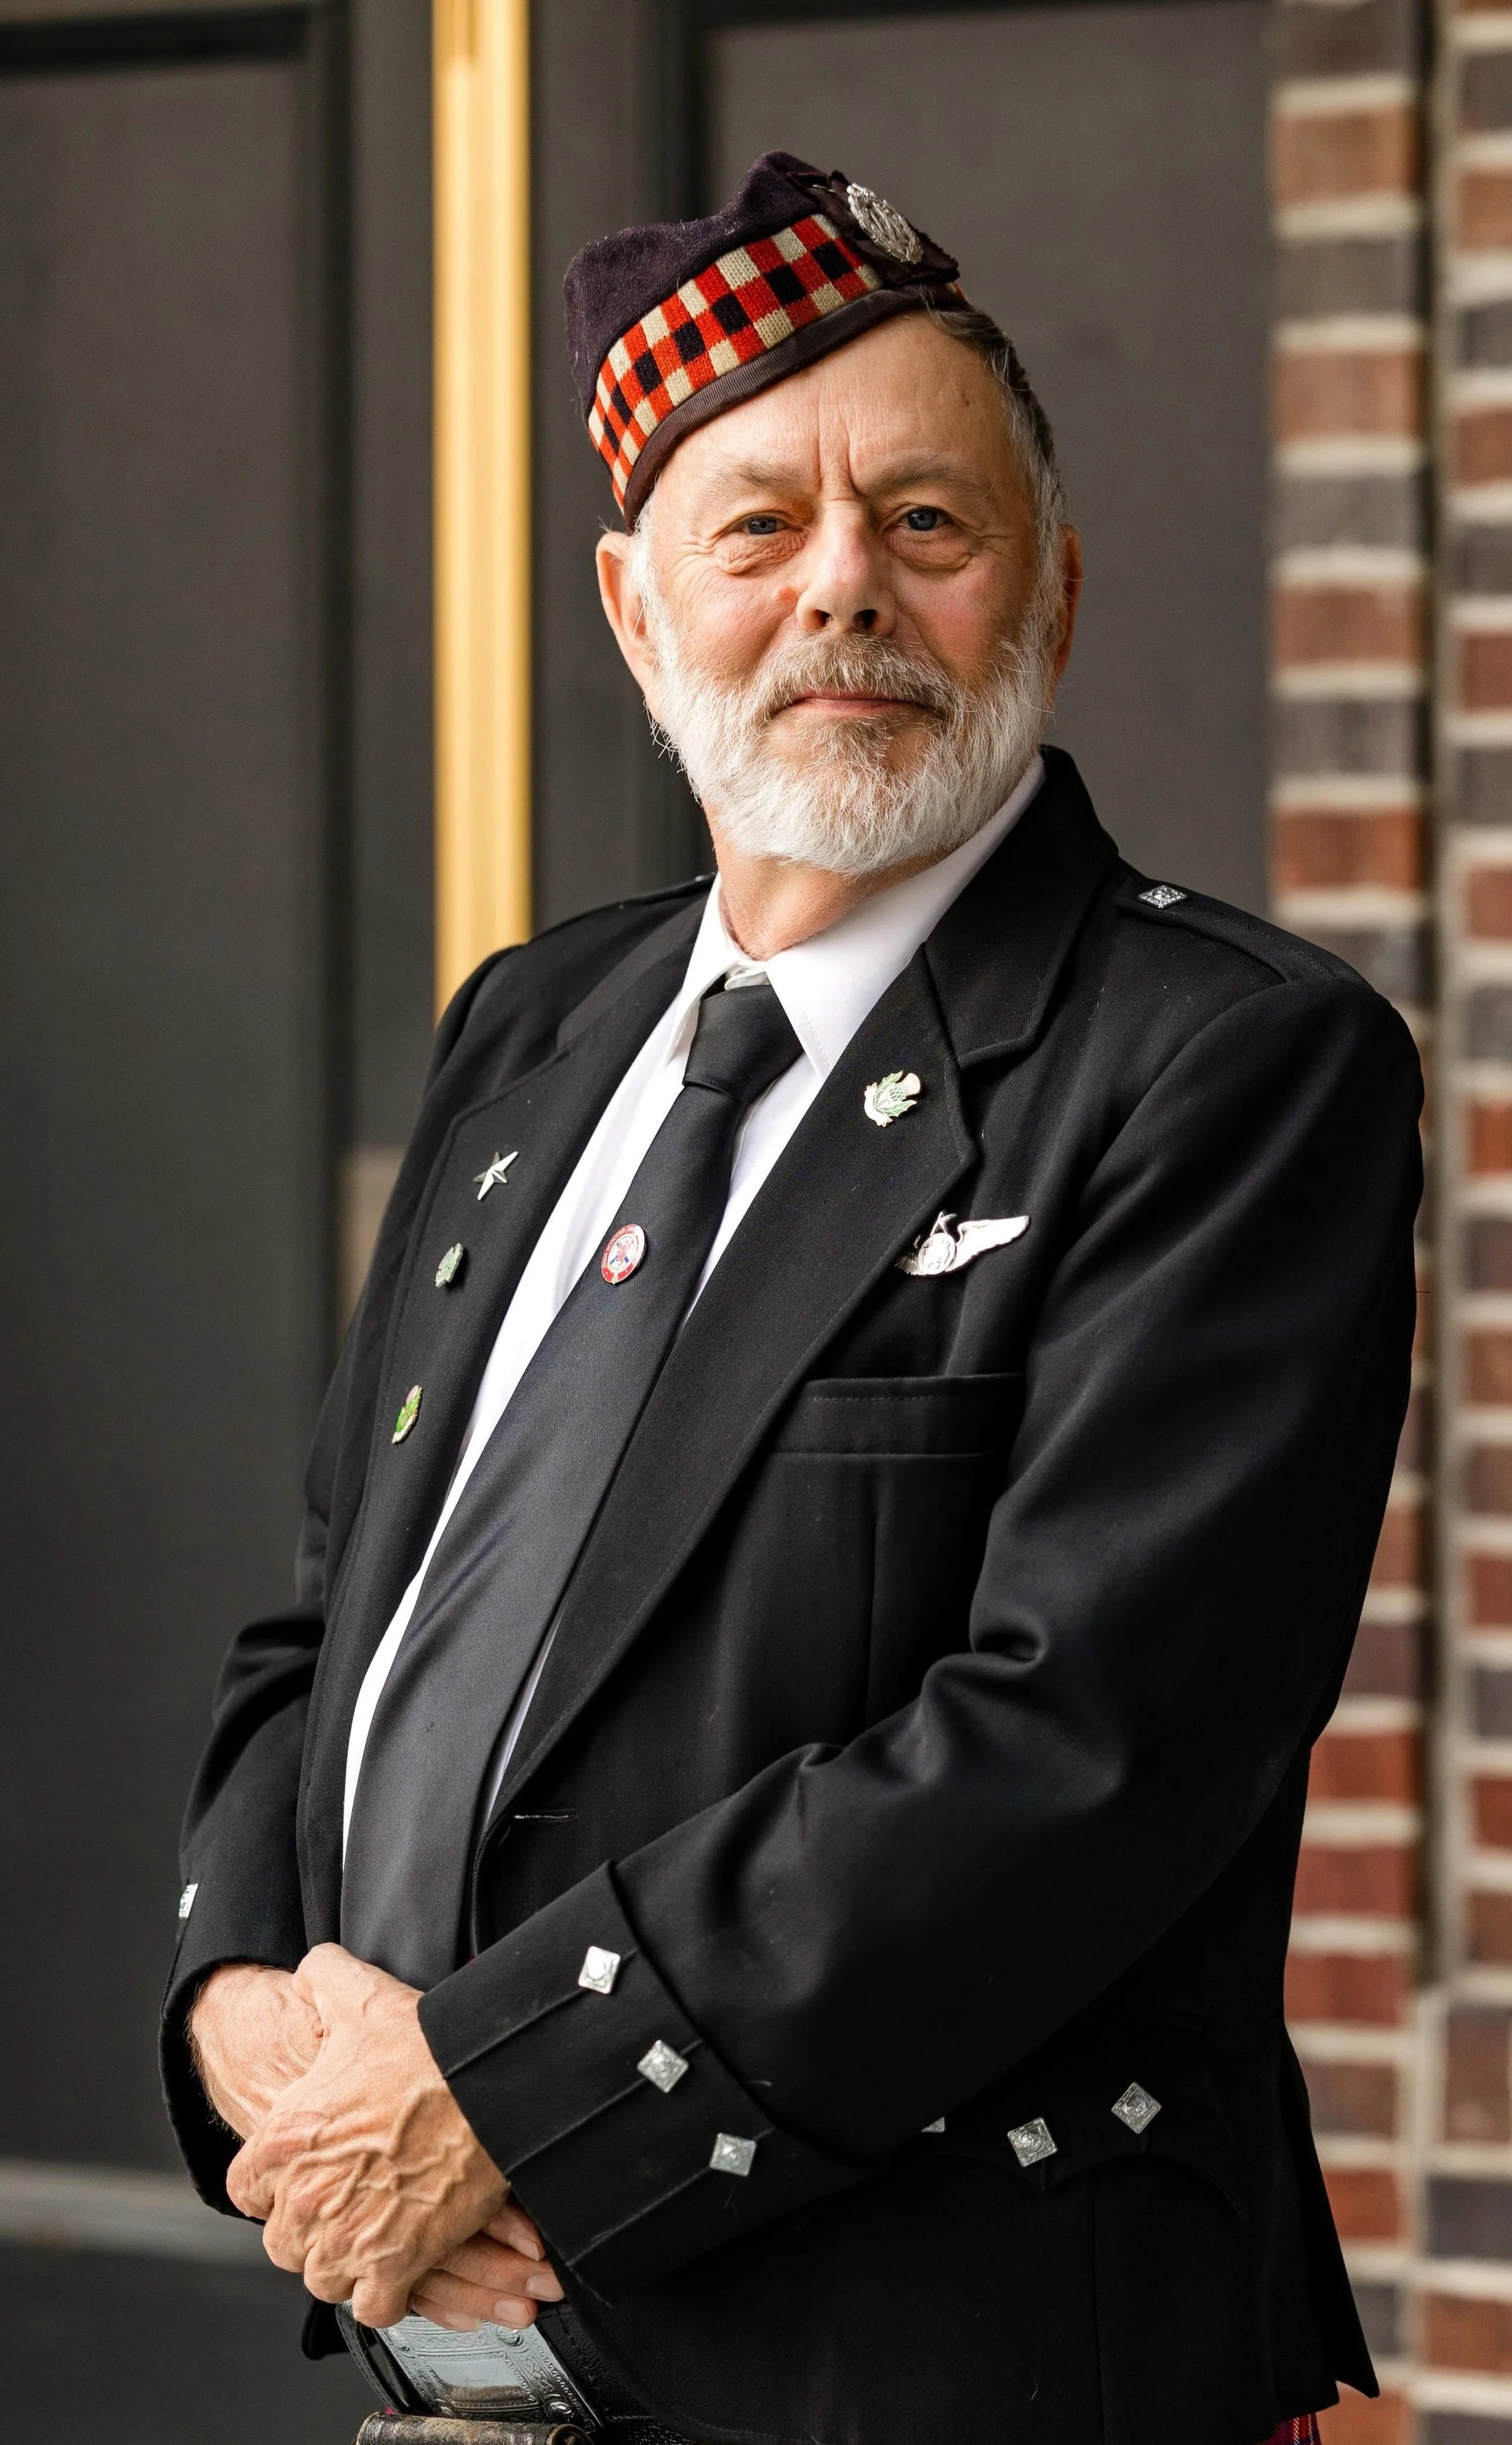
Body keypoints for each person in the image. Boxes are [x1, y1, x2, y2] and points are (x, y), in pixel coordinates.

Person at [163, 153, 1422, 2445]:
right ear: (637, 611)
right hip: (449, 2386)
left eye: (926, 522)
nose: (844, 582)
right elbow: (334, 1623)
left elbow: (1084, 1746)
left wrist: (503, 2094)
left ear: (1052, 588)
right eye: (759, 528)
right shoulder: (531, 1027)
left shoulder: (1226, 1065)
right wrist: (243, 2007)